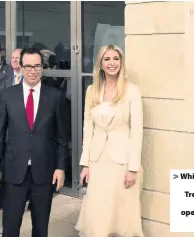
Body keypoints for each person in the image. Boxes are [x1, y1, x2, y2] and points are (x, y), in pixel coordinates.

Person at [0, 48, 68, 237]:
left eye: (37, 66)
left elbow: (61, 137)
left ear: (42, 67)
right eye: (28, 66)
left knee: (41, 228)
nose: (33, 71)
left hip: (44, 172)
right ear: (21, 67)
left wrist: (60, 167)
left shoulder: (55, 96)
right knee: (11, 226)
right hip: (14, 171)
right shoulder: (8, 95)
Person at [75, 44, 144, 237]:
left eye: (116, 58)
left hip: (122, 162)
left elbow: (137, 130)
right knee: (98, 209)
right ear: (101, 63)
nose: (112, 63)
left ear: (121, 62)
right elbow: (88, 129)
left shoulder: (131, 91)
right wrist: (85, 164)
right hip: (98, 160)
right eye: (107, 59)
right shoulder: (92, 90)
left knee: (121, 214)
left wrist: (133, 167)